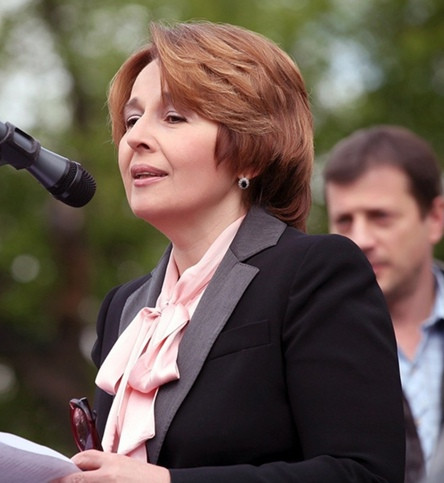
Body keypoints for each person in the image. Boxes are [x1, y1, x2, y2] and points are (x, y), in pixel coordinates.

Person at [59, 21, 405, 482]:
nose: (135, 138)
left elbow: (363, 473)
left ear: (251, 153)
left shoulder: (316, 272)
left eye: (173, 117)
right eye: (132, 120)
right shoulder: (122, 308)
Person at [323, 125, 444, 483]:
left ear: (435, 219)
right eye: (344, 221)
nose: (361, 239)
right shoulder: (311, 341)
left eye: (381, 217)